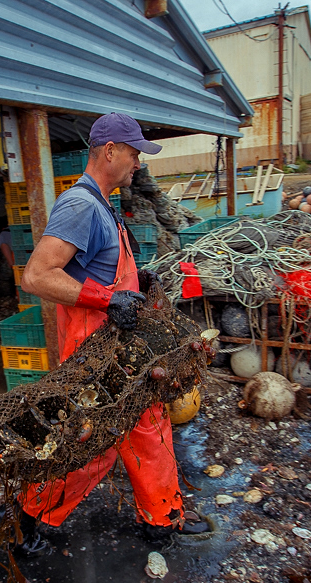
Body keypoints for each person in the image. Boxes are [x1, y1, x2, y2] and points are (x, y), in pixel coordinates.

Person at [19, 112, 204, 544]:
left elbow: (104, 270)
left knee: (143, 429)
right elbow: (37, 276)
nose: (138, 163)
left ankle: (162, 518)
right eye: (135, 153)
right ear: (110, 151)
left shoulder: (104, 205)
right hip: (95, 357)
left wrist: (139, 284)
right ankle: (32, 516)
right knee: (90, 444)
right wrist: (108, 299)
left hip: (121, 352)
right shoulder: (80, 205)